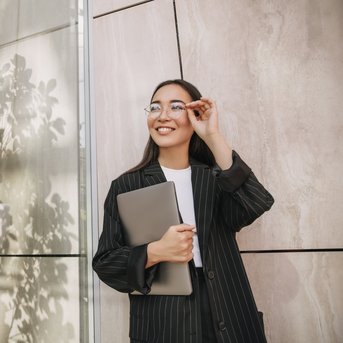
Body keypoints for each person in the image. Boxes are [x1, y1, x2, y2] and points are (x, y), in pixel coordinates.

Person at [92, 79, 274, 343]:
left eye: (176, 107)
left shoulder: (215, 178)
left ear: (194, 116)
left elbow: (255, 203)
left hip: (228, 313)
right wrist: (154, 252)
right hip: (165, 321)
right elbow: (106, 263)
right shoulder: (127, 185)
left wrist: (213, 136)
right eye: (155, 107)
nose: (162, 115)